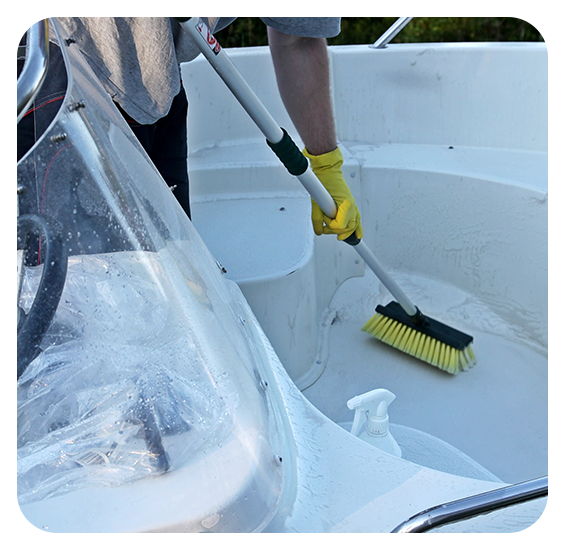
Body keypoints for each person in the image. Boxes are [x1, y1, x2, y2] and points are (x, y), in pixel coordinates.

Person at [18, 17, 362, 242]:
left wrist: (326, 162)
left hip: (156, 80)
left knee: (176, 261)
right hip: (55, 57)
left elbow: (297, 39)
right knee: (76, 281)